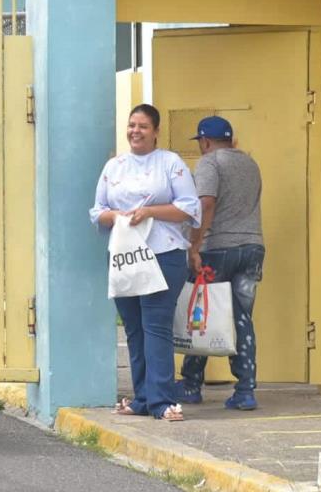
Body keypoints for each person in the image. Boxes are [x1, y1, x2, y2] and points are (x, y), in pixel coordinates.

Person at [90, 104, 201, 421]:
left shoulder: (170, 163)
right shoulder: (114, 167)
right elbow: (97, 211)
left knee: (156, 325)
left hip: (163, 255)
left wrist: (150, 212)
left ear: (155, 132)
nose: (135, 131)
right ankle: (142, 397)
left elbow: (189, 207)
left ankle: (163, 401)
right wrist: (116, 216)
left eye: (142, 126)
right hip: (125, 256)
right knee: (134, 328)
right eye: (131, 125)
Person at [174, 116, 265, 410]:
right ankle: (245, 390)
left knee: (202, 314)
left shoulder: (210, 163)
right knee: (241, 318)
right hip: (252, 248)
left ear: (205, 141)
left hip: (218, 249)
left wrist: (194, 245)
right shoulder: (250, 164)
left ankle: (190, 384)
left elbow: (206, 203)